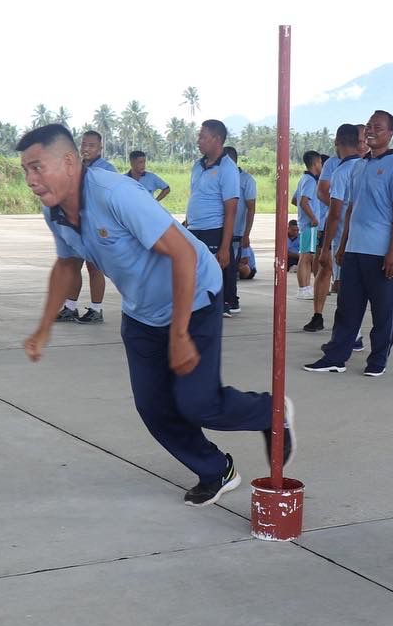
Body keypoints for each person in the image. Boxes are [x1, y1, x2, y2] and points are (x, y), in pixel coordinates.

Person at [20, 123, 294, 506]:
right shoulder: (57, 212)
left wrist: (179, 333)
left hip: (194, 297)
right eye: (25, 171)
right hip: (141, 313)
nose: (31, 180)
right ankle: (216, 469)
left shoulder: (115, 193)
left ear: (69, 162)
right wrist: (43, 328)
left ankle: (271, 411)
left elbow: (182, 254)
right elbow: (67, 264)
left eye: (37, 167)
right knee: (153, 406)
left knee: (198, 403)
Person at [305, 111, 393, 377]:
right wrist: (341, 247)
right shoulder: (359, 167)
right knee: (347, 308)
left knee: (383, 312)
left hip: (381, 252)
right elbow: (351, 210)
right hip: (353, 250)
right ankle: (336, 357)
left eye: (379, 127)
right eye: (369, 126)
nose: (372, 130)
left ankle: (377, 362)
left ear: (390, 133)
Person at [305, 125, 363, 333]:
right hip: (336, 228)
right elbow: (322, 192)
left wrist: (344, 210)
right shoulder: (334, 165)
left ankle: (349, 333)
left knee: (348, 283)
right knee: (328, 270)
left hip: (351, 232)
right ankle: (319, 315)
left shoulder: (364, 165)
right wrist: (340, 207)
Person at [56, 130, 115, 324]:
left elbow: (110, 198)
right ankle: (70, 307)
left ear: (100, 148)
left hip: (96, 227)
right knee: (73, 266)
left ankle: (96, 309)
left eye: (91, 145)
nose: (86, 148)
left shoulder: (107, 169)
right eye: (84, 144)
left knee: (94, 268)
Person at [184, 120, 240, 322]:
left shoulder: (227, 168)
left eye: (202, 136)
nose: (198, 141)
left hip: (213, 231)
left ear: (217, 139)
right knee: (193, 277)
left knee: (212, 280)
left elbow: (231, 209)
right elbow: (196, 196)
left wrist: (225, 247)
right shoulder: (197, 166)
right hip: (193, 230)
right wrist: (186, 222)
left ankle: (216, 310)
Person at [222, 145, 257, 316]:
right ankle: (224, 300)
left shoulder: (246, 180)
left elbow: (251, 208)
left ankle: (231, 300)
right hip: (219, 230)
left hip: (236, 232)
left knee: (230, 268)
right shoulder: (220, 176)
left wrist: (246, 234)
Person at [292, 150, 323, 298]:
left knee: (306, 255)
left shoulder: (304, 179)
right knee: (306, 256)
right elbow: (303, 201)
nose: (321, 166)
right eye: (321, 163)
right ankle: (303, 288)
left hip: (305, 223)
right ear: (316, 163)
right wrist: (313, 217)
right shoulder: (310, 181)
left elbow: (295, 200)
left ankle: (304, 287)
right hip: (309, 224)